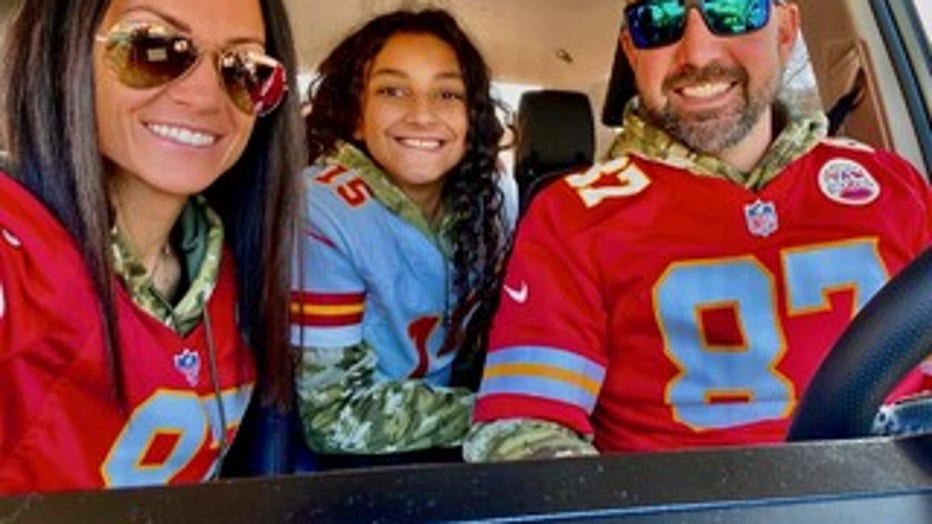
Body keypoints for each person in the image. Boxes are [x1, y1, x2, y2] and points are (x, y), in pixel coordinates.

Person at [466, 0, 932, 460]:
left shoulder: (895, 184)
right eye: (659, 20)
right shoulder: (572, 214)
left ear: (786, 29)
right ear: (631, 50)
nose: (697, 54)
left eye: (732, 10)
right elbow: (523, 431)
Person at [0, 0, 303, 492]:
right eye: (153, 47)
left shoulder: (226, 269)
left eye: (245, 68)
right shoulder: (16, 245)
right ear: (63, 55)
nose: (206, 97)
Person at [291, 8, 510, 468]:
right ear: (356, 114)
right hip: (354, 464)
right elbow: (332, 415)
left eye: (447, 93)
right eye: (393, 90)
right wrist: (505, 412)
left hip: (455, 444)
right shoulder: (321, 211)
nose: (423, 114)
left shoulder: (493, 201)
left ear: (471, 118)